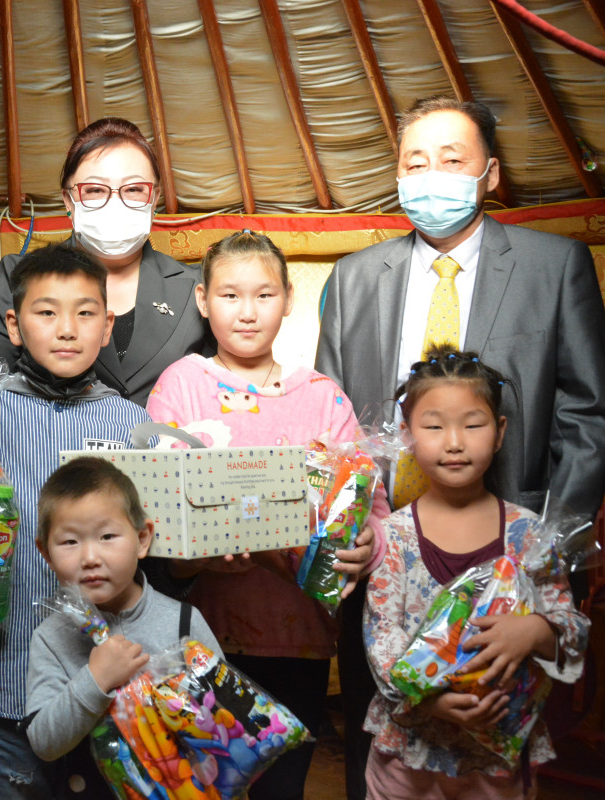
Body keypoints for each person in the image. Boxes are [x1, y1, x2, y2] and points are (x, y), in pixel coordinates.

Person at [314, 94, 605, 800]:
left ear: (490, 174)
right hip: (383, 559)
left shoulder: (555, 264)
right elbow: (333, 422)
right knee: (382, 744)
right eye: (416, 162)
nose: (432, 175)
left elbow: (588, 415)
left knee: (493, 744)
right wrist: (346, 534)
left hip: (507, 562)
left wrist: (550, 555)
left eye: (452, 159)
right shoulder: (354, 277)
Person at [145, 230, 390, 800]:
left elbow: (370, 506)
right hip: (200, 635)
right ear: (203, 300)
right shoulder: (181, 385)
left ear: (288, 298)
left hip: (297, 638)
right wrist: (190, 558)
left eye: (264, 295)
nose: (248, 312)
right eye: (230, 296)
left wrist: (367, 546)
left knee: (282, 786)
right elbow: (152, 508)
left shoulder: (323, 397)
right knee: (201, 784)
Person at [0, 243, 152, 799]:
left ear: (107, 326)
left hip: (104, 678)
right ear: (13, 325)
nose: (67, 329)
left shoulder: (134, 424)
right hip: (5, 670)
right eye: (47, 311)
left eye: (85, 313)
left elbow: (149, 547)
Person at [363, 347, 589, 798]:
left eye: (472, 425)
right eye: (434, 426)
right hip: (407, 761)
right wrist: (432, 699)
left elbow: (572, 629)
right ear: (407, 435)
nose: (454, 442)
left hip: (497, 764)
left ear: (500, 432)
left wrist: (537, 631)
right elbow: (381, 637)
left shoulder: (529, 532)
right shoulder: (393, 535)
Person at [0, 117, 214, 407]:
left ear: (155, 197)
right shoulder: (19, 276)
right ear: (68, 200)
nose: (115, 203)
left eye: (134, 189)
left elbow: (222, 390)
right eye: (95, 190)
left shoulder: (197, 286)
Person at [24, 456, 223, 797]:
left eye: (107, 536)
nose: (90, 557)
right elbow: (44, 742)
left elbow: (225, 715)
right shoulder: (50, 638)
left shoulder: (184, 622)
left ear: (142, 539)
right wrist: (96, 679)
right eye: (70, 542)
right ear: (46, 553)